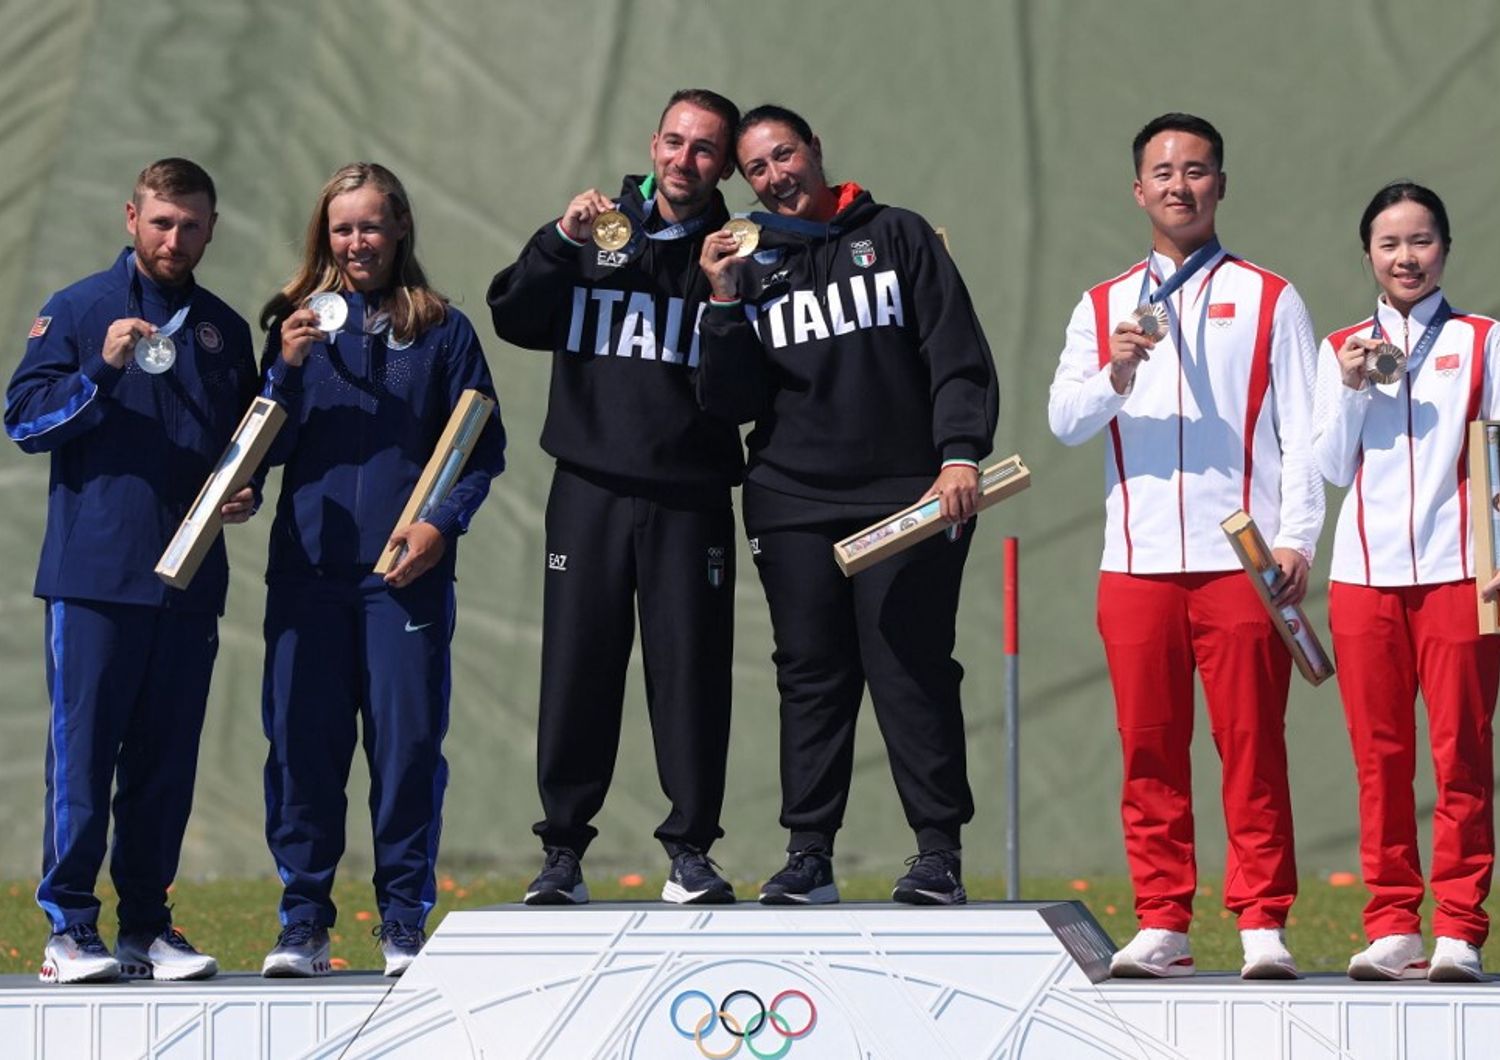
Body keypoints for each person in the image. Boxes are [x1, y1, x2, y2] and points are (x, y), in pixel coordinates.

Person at [697, 104, 998, 906]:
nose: (775, 176)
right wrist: (724, 303)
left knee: (909, 663)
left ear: (816, 150)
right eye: (756, 169)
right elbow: (729, 402)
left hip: (908, 495)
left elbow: (955, 351)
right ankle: (809, 855)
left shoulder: (897, 235)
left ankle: (938, 854)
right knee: (811, 673)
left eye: (784, 155)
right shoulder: (750, 262)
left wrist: (960, 453)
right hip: (791, 499)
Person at [1047, 113, 1323, 979]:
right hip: (1135, 565)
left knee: (1252, 743)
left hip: (1240, 562)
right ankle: (1162, 920)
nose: (1179, 184)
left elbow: (1306, 433)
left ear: (1220, 186)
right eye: (1162, 171)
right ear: (1138, 191)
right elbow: (1064, 423)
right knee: (1149, 747)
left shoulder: (1271, 298)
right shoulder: (1102, 306)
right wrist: (1117, 371)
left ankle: (1262, 923)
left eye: (1197, 170)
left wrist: (1298, 539)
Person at [487, 89, 745, 906]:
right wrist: (559, 241)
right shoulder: (599, 231)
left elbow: (742, 393)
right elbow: (514, 316)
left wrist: (726, 298)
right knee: (578, 668)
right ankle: (562, 853)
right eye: (675, 142)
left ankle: (691, 851)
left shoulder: (739, 251)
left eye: (705, 149)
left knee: (691, 674)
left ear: (724, 164)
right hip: (589, 487)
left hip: (690, 495)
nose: (685, 160)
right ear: (653, 144)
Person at [5, 158, 257, 983]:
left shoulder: (224, 330)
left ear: (211, 228)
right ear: (130, 218)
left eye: (190, 225)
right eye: (160, 222)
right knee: (83, 758)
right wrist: (101, 368)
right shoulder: (79, 310)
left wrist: (242, 493)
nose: (174, 238)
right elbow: (25, 424)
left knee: (164, 764)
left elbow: (240, 448)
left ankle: (147, 928)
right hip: (95, 579)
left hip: (186, 584)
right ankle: (68, 928)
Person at [256, 162, 505, 977]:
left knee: (406, 749)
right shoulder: (294, 328)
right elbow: (262, 451)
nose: (356, 242)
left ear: (400, 229)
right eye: (341, 228)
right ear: (322, 237)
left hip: (404, 579)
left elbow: (480, 449)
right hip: (308, 576)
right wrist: (285, 369)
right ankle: (303, 925)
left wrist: (439, 524)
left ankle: (403, 922)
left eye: (369, 225)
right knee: (302, 750)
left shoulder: (443, 330)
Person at [1311, 182, 1500, 982]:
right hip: (1364, 579)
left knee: (1463, 754)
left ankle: (1459, 927)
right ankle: (1393, 926)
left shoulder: (1486, 341)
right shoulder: (1341, 349)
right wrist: (1353, 389)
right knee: (1379, 758)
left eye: (1420, 241)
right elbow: (1326, 469)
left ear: (1445, 249)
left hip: (1462, 573)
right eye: (1390, 244)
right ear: (1369, 256)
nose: (1406, 257)